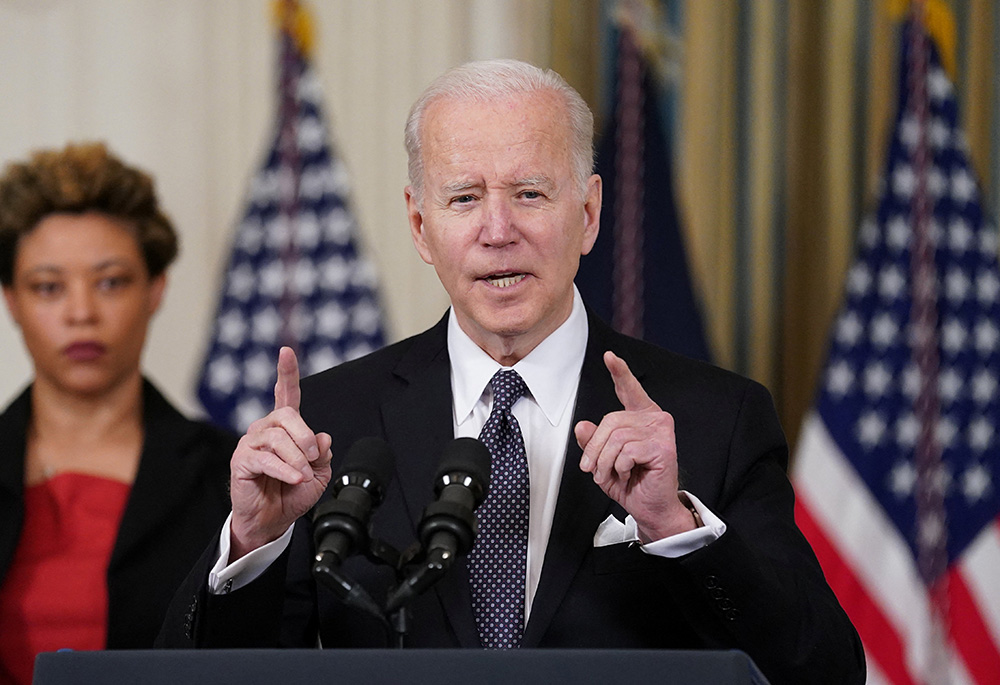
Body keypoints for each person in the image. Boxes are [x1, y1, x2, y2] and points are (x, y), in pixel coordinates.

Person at [159, 60, 865, 684]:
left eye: (529, 193)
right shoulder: (332, 420)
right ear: (419, 226)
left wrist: (673, 526)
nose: (499, 230)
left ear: (588, 214)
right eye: (464, 198)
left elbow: (822, 670)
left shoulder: (714, 418)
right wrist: (252, 542)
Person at [0, 143, 236, 684]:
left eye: (110, 282)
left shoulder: (226, 477)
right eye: (48, 287)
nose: (81, 313)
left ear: (155, 290)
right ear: (12, 301)